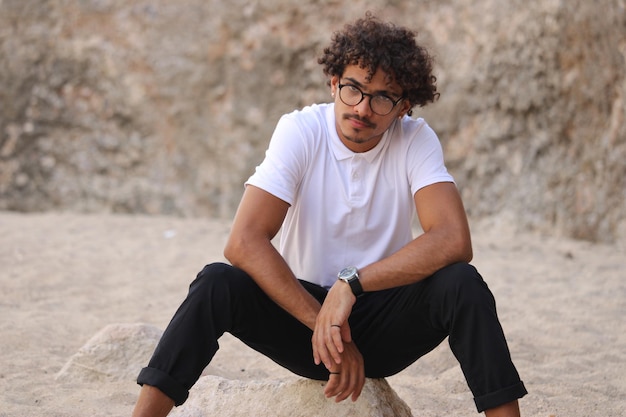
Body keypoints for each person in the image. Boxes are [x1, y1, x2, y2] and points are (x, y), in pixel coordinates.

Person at [131, 13, 527, 417]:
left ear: (402, 108)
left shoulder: (415, 139)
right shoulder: (301, 130)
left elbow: (453, 240)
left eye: (382, 98)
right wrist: (325, 321)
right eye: (353, 89)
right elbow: (244, 241)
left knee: (462, 283)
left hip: (383, 317)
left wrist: (350, 286)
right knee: (216, 282)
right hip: (302, 323)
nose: (362, 108)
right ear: (334, 82)